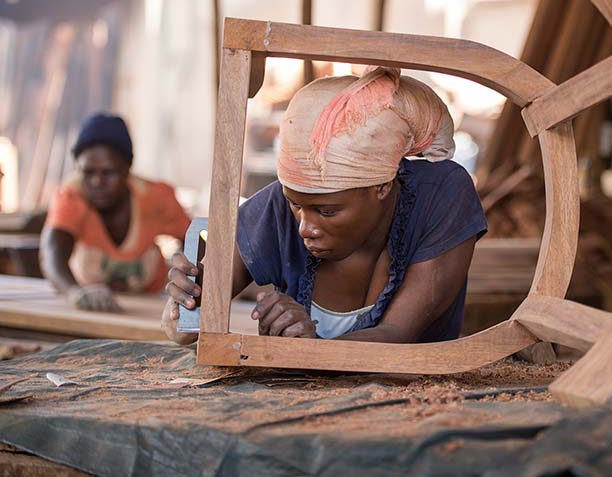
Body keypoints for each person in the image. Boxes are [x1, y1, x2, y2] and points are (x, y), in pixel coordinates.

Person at [163, 66, 486, 344]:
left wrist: (310, 348)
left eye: (328, 211)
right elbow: (188, 326)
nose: (306, 227)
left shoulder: (440, 196)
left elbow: (396, 335)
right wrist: (186, 303)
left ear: (382, 187)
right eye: (296, 206)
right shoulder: (278, 208)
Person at [40, 113, 192, 311]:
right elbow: (51, 253)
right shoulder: (71, 197)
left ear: (127, 168)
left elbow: (197, 243)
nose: (97, 182)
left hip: (150, 307)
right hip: (90, 309)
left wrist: (192, 284)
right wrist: (74, 292)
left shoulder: (155, 197)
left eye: (108, 172)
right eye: (88, 173)